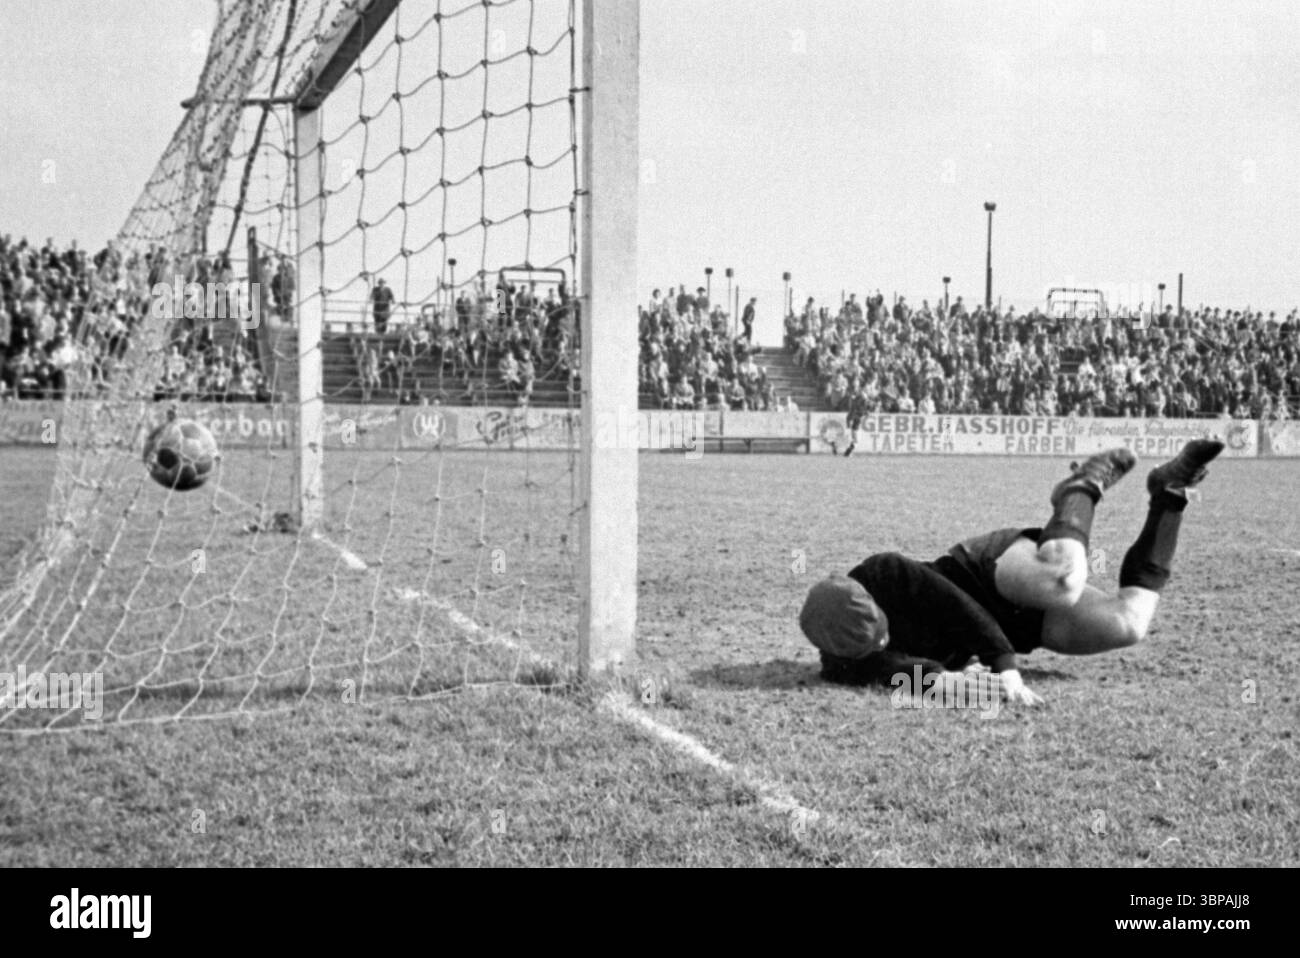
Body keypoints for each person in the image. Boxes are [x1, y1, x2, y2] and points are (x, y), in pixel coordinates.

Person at [798, 439, 1225, 706]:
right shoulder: (845, 665)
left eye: (883, 629)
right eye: (877, 645)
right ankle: (1169, 493)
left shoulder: (884, 572)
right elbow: (915, 678)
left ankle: (1079, 489)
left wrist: (1006, 669)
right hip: (1014, 629)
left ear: (866, 598)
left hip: (984, 574)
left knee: (1063, 579)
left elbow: (959, 609)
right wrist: (963, 687)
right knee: (1128, 625)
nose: (887, 642)